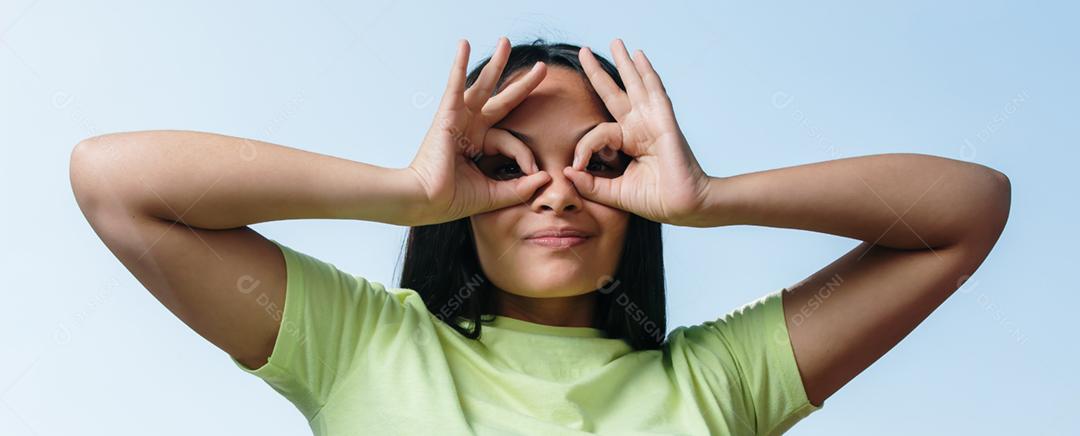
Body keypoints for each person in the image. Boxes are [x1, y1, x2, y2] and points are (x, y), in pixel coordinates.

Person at [68, 36, 1011, 435]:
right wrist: (401, 191)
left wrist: (709, 196)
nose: (556, 192)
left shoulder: (718, 381)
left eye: (601, 164)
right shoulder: (361, 343)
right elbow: (116, 183)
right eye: (509, 163)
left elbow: (964, 211)